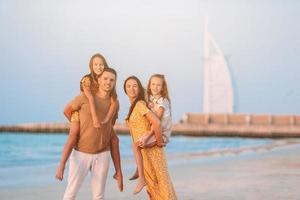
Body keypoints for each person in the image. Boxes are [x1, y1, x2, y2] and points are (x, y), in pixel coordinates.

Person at [55, 54, 123, 192]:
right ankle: (61, 165)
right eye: (105, 78)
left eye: (112, 80)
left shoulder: (114, 102)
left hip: (102, 154)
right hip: (80, 140)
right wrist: (79, 122)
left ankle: (118, 173)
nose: (108, 82)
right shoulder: (86, 83)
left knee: (114, 139)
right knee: (73, 136)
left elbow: (111, 124)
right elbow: (67, 110)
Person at [124, 76, 177, 199]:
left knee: (161, 185)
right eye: (128, 86)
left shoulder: (142, 104)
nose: (131, 89)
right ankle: (140, 171)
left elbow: (157, 122)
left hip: (154, 148)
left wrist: (158, 142)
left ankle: (140, 176)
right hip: (147, 151)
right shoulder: (147, 102)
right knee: (155, 186)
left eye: (135, 86)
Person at [129, 74, 173, 182]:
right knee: (140, 146)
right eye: (153, 84)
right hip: (155, 131)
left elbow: (156, 122)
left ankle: (141, 174)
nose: (155, 87)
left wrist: (148, 136)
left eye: (158, 85)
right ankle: (140, 169)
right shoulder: (152, 99)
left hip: (161, 134)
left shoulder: (163, 102)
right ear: (149, 85)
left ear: (163, 88)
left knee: (137, 146)